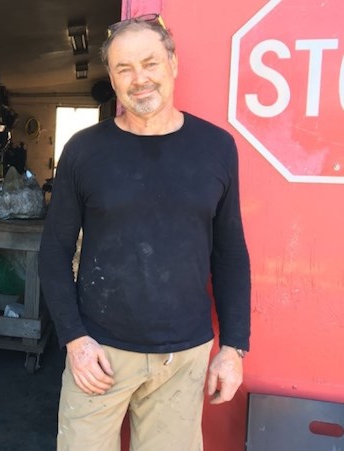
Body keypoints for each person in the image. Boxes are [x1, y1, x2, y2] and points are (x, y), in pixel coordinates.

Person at [38, 14, 251, 451]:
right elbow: (54, 252)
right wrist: (75, 340)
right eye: (124, 69)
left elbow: (230, 251)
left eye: (150, 63)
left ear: (172, 64)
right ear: (112, 80)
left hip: (183, 357)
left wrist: (234, 347)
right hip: (98, 352)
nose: (139, 79)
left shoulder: (217, 147)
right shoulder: (84, 151)